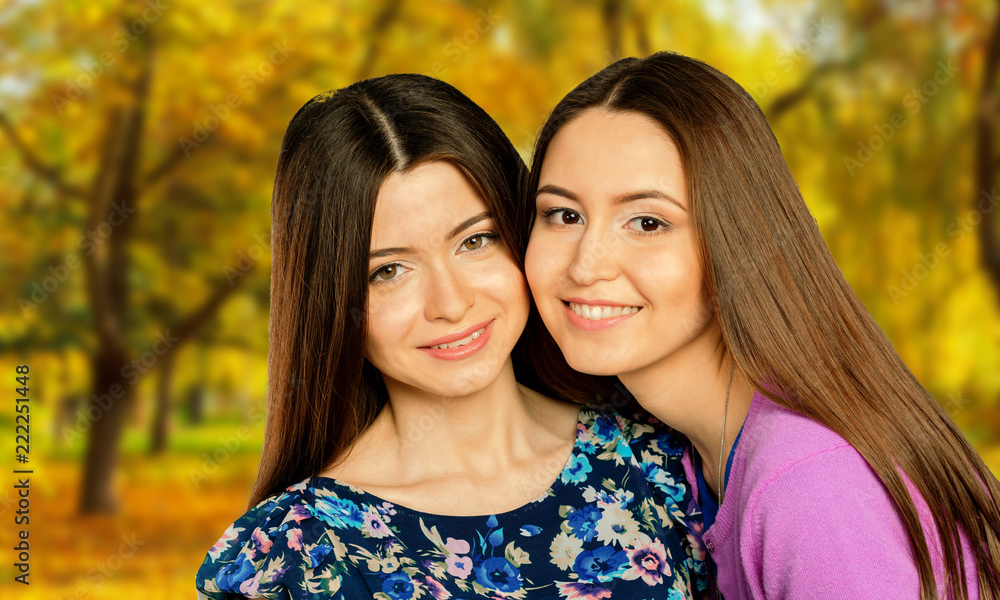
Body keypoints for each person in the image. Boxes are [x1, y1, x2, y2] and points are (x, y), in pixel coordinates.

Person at [195, 73, 707, 599]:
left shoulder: (655, 462)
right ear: (334, 305)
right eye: (388, 271)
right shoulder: (299, 557)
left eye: (475, 241)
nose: (452, 303)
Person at [522, 51, 1000, 599]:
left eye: (648, 222)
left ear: (734, 238)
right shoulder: (693, 451)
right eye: (564, 215)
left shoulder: (808, 483)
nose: (586, 265)